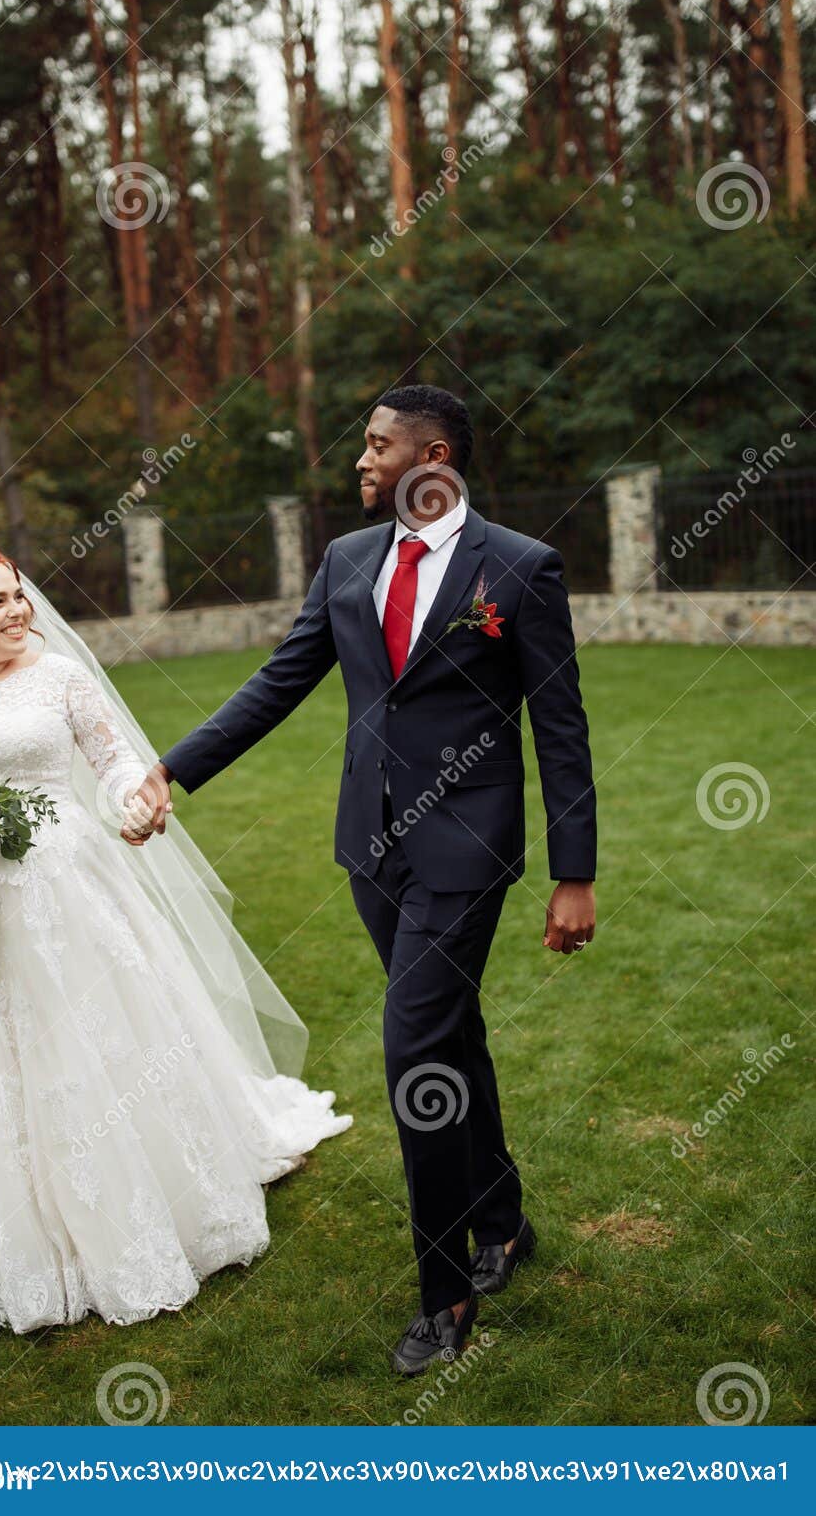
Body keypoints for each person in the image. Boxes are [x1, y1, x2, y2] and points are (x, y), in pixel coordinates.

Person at [130, 385, 597, 1376]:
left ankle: (445, 1293)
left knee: (411, 1046)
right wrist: (173, 767)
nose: (360, 458)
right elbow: (278, 680)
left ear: (431, 455)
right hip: (370, 849)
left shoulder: (516, 568)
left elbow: (559, 729)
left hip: (466, 850)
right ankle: (503, 1221)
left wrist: (574, 874)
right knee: (449, 1035)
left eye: (376, 444)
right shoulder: (348, 561)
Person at [0, 541, 351, 1342]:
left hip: (64, 889)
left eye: (18, 596)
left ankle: (147, 1204)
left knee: (93, 1042)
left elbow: (116, 763)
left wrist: (136, 805)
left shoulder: (60, 677)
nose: (19, 612)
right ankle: (15, 1237)